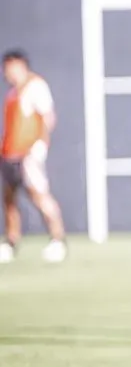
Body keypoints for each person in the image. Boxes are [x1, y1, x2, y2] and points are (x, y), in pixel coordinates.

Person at [0, 50, 66, 264]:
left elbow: (48, 116)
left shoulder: (36, 86)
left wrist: (39, 146)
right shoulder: (13, 93)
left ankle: (58, 240)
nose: (9, 72)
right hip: (10, 154)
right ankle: (11, 242)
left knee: (40, 195)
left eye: (12, 66)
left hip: (29, 154)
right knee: (9, 200)